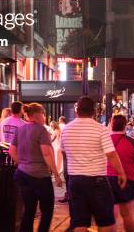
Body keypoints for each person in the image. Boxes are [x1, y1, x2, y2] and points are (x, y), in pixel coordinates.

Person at [61, 96, 127, 232]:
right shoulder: (100, 129)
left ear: (76, 111)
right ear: (94, 111)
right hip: (97, 180)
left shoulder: (66, 129)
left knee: (79, 223)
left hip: (74, 180)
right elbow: (111, 154)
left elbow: (64, 153)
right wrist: (121, 173)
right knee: (105, 222)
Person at [9, 102, 62, 232]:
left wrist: (21, 162)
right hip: (40, 176)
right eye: (43, 114)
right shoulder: (41, 130)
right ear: (38, 115)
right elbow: (46, 153)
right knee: (47, 209)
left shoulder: (20, 129)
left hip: (22, 174)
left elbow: (12, 151)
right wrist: (56, 174)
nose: (44, 117)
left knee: (29, 208)